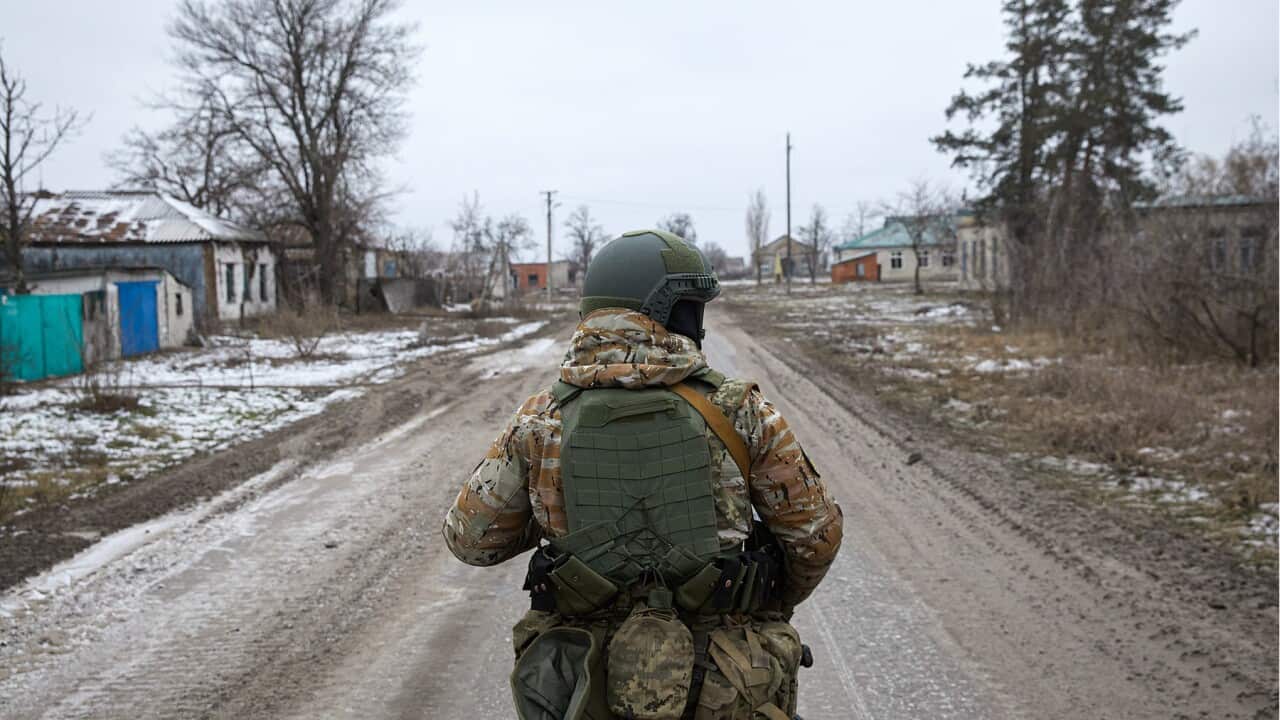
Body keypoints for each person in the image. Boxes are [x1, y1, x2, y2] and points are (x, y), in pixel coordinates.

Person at [443, 229, 843, 720]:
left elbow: (471, 539)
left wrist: (546, 512)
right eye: (693, 309)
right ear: (667, 311)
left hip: (585, 681)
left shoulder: (541, 419)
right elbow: (815, 536)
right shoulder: (740, 410)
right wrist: (769, 604)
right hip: (726, 679)